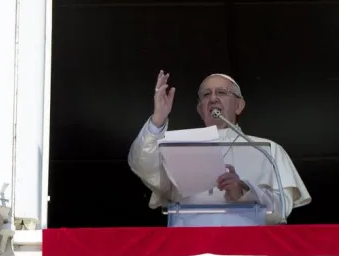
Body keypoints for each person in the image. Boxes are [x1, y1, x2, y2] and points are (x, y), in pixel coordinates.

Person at [128, 70, 311, 226]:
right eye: (206, 95)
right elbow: (143, 165)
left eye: (221, 92)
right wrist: (158, 119)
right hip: (190, 247)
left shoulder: (267, 149)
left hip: (246, 249)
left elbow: (282, 210)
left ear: (238, 106)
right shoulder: (179, 146)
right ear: (200, 109)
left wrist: (243, 191)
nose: (213, 98)